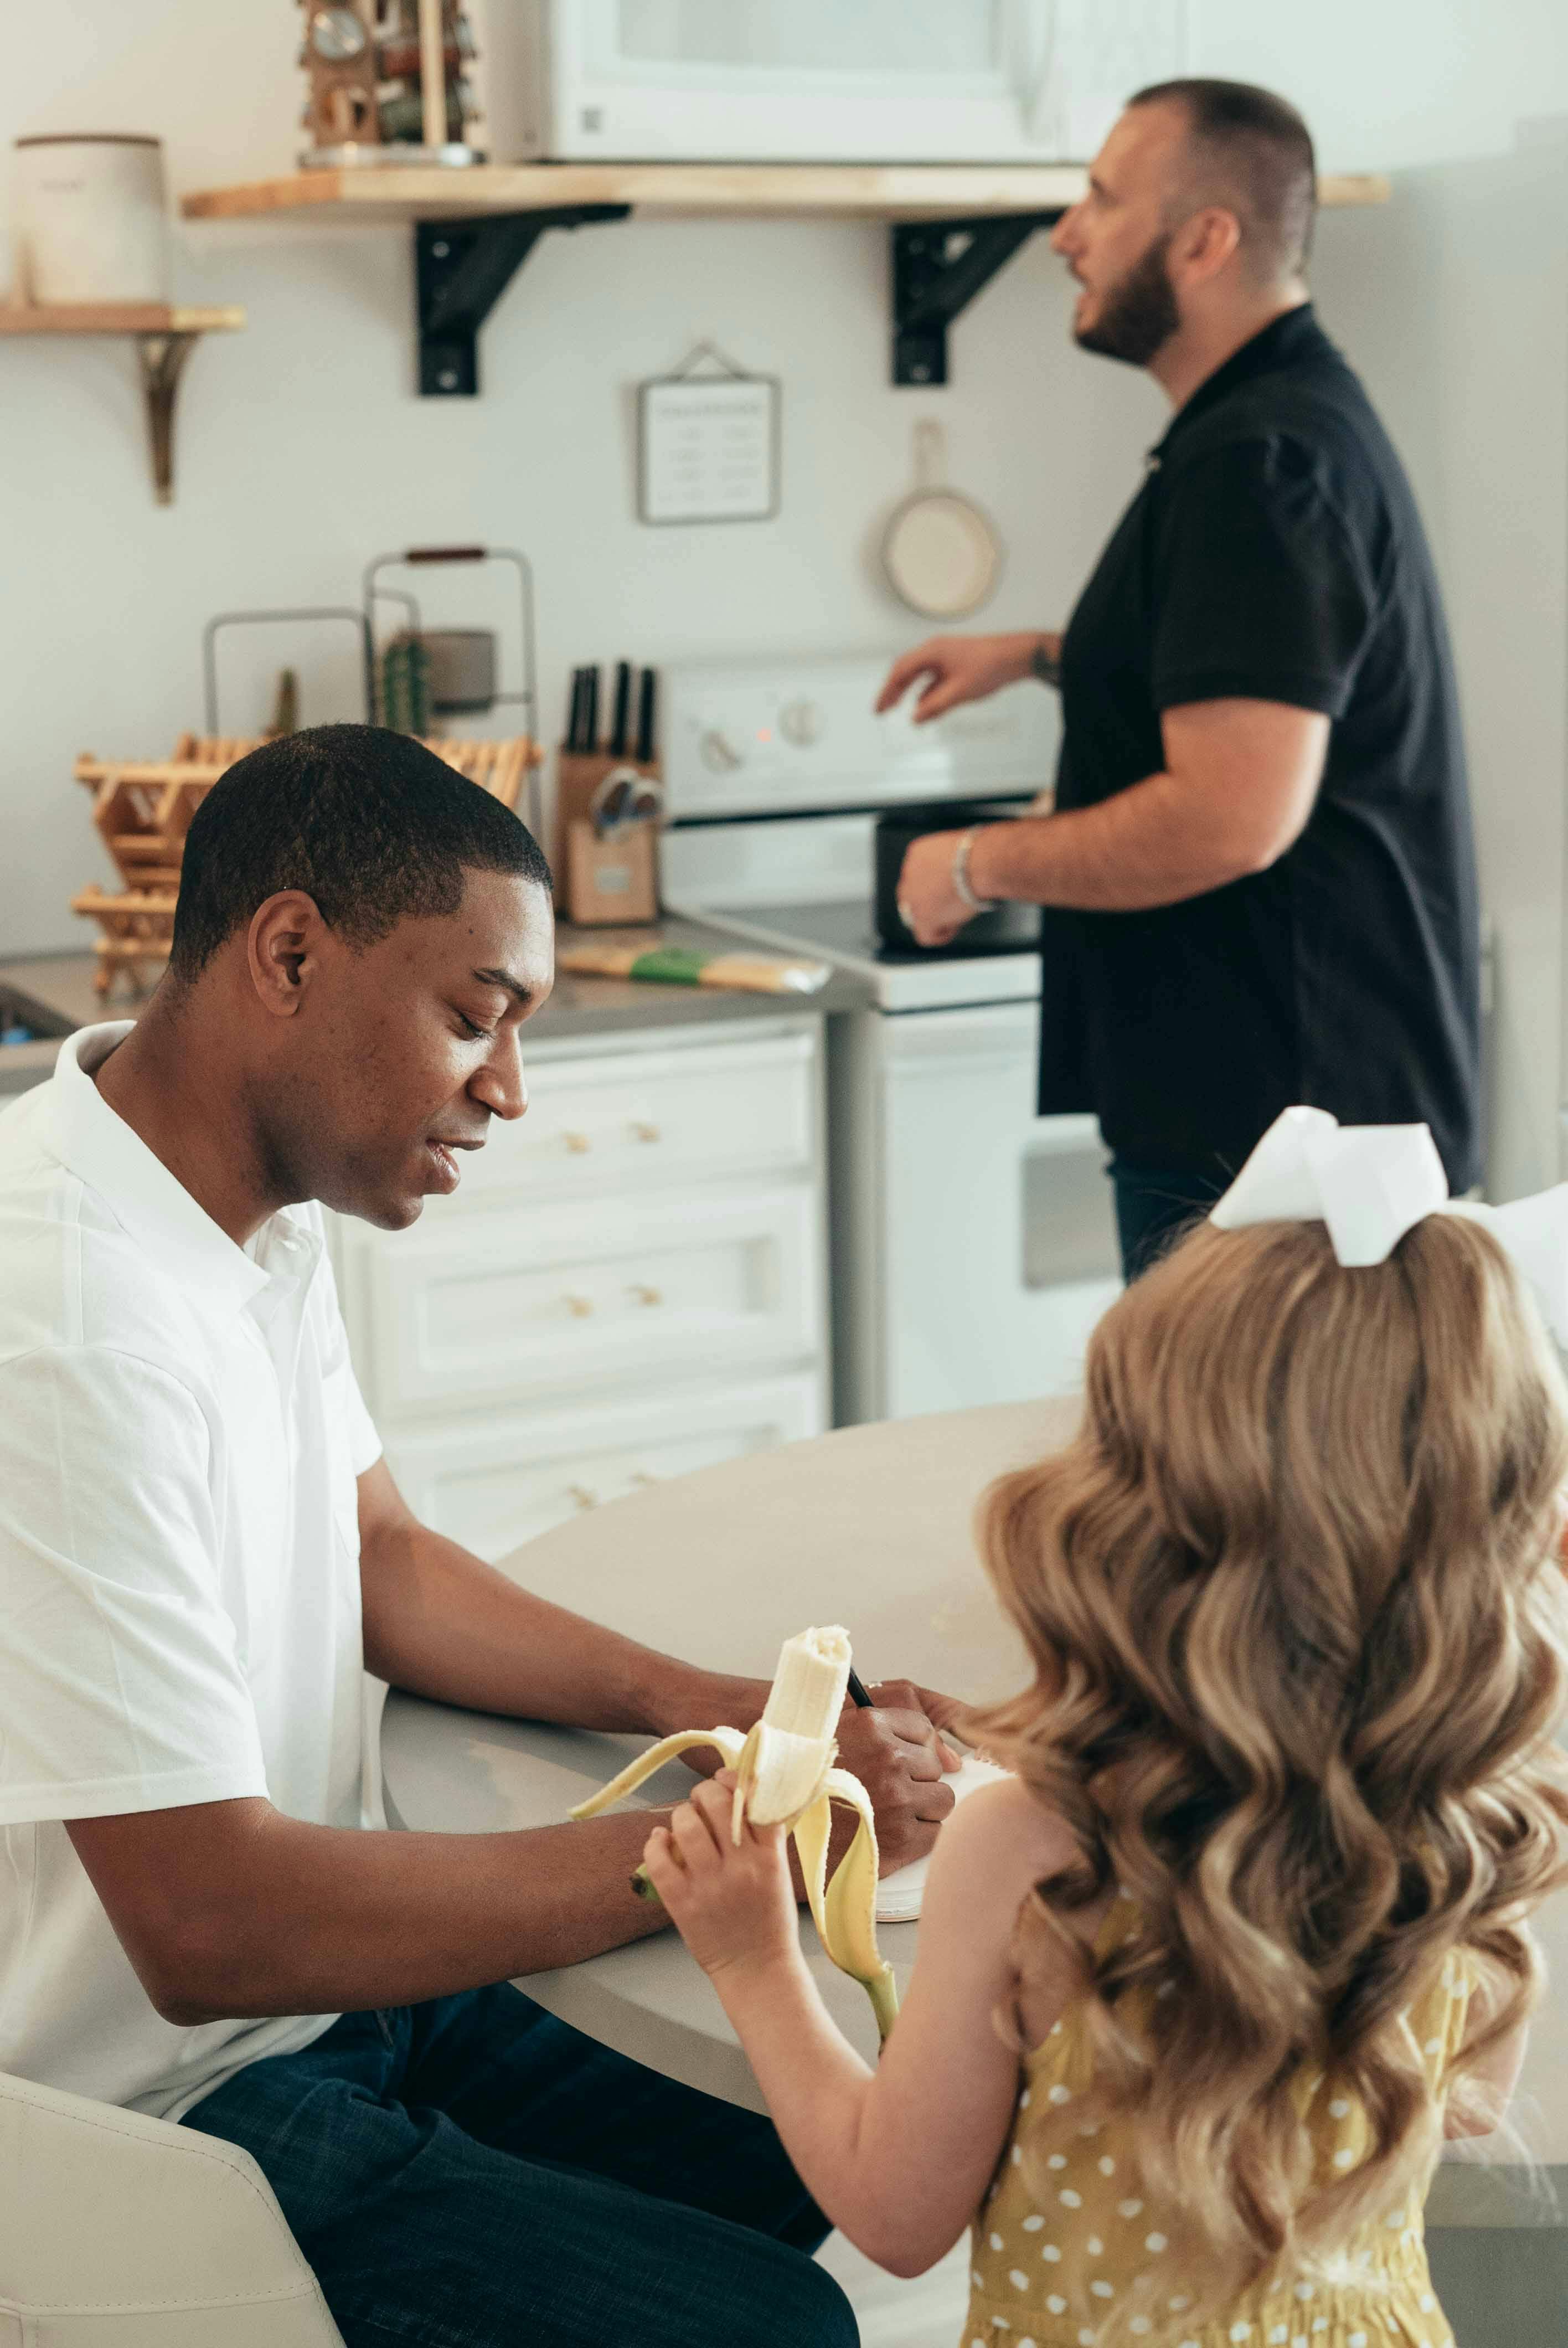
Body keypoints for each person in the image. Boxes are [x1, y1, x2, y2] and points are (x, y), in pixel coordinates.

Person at [0, 724, 966, 2348]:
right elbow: (209, 1926)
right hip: (158, 2116)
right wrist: (738, 1848)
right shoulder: (67, 1323)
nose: (508, 1090)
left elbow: (378, 1555)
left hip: (338, 2010)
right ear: (289, 954)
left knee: (841, 2119)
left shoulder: (226, 1196)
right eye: (474, 1018)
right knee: (776, 2329)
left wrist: (725, 1715)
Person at [643, 1133, 1568, 2348]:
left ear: (1135, 1510)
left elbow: (896, 2210)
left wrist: (753, 1957)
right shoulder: (1479, 1813)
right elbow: (1464, 2107)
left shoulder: (1030, 1847)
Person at [879, 79, 1481, 1280]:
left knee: (1251, 1476)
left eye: (1103, 197)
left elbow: (1230, 814)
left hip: (1278, 1147)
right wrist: (1047, 656)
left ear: (1206, 240)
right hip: (1271, 1118)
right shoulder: (1270, 428)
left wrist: (971, 860)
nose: (1066, 233)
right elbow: (1263, 664)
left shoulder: (1257, 461)